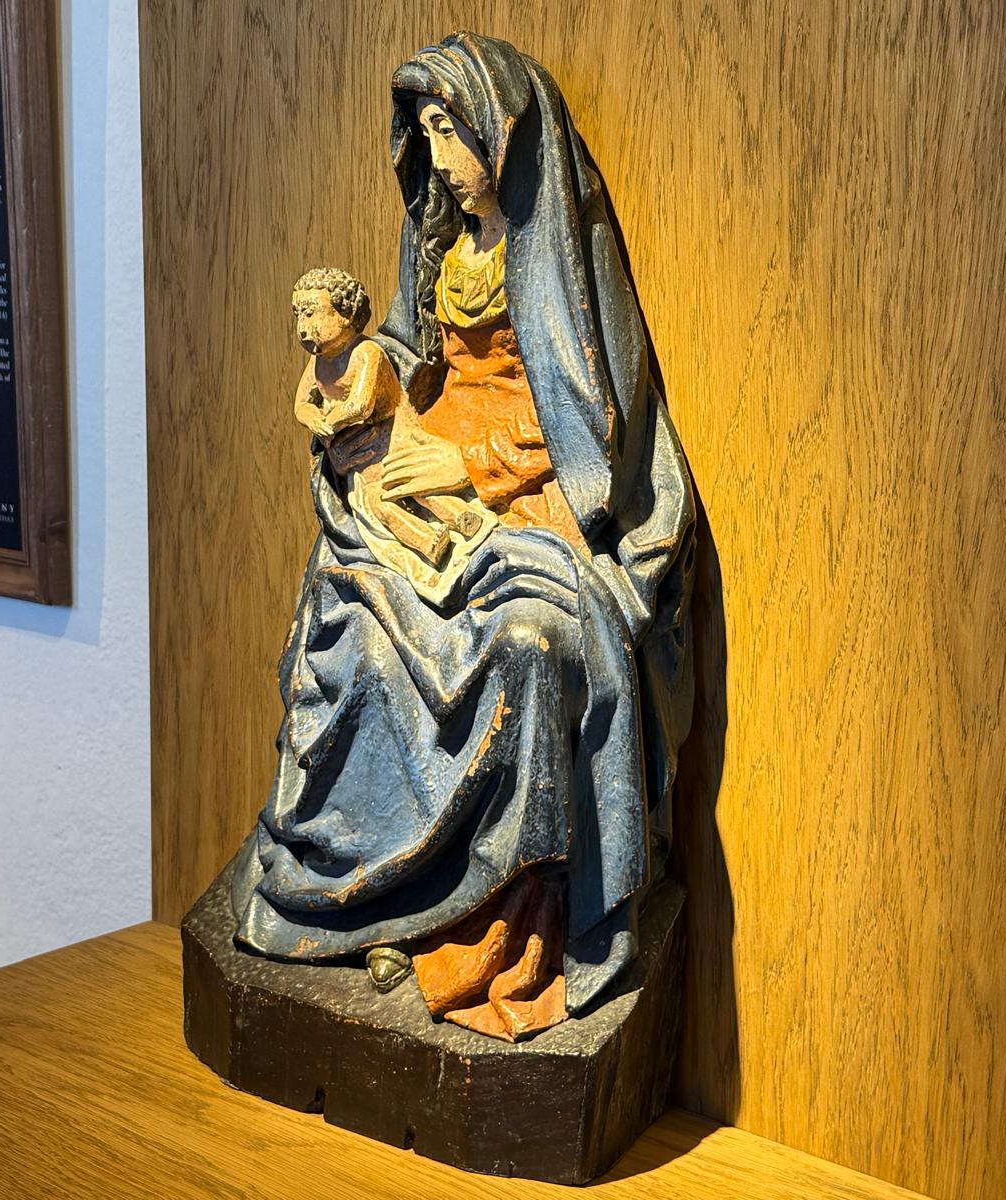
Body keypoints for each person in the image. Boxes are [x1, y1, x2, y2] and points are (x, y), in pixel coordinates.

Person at [229, 32, 696, 1042]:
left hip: (534, 491)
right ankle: (373, 897)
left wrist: (469, 465)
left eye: (454, 131)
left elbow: (593, 422)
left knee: (527, 646)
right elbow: (410, 355)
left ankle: (489, 920)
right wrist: (368, 415)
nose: (440, 157)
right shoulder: (437, 244)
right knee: (356, 626)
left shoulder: (561, 252)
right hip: (429, 457)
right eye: (428, 133)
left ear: (503, 133)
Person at [290, 266, 492, 596]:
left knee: (416, 483)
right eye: (298, 315)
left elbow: (361, 406)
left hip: (396, 438)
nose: (302, 327)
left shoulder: (365, 353)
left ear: (346, 314)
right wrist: (312, 417)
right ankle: (429, 544)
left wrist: (332, 423)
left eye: (311, 313)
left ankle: (463, 519)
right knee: (380, 504)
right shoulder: (318, 363)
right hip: (363, 460)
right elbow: (302, 402)